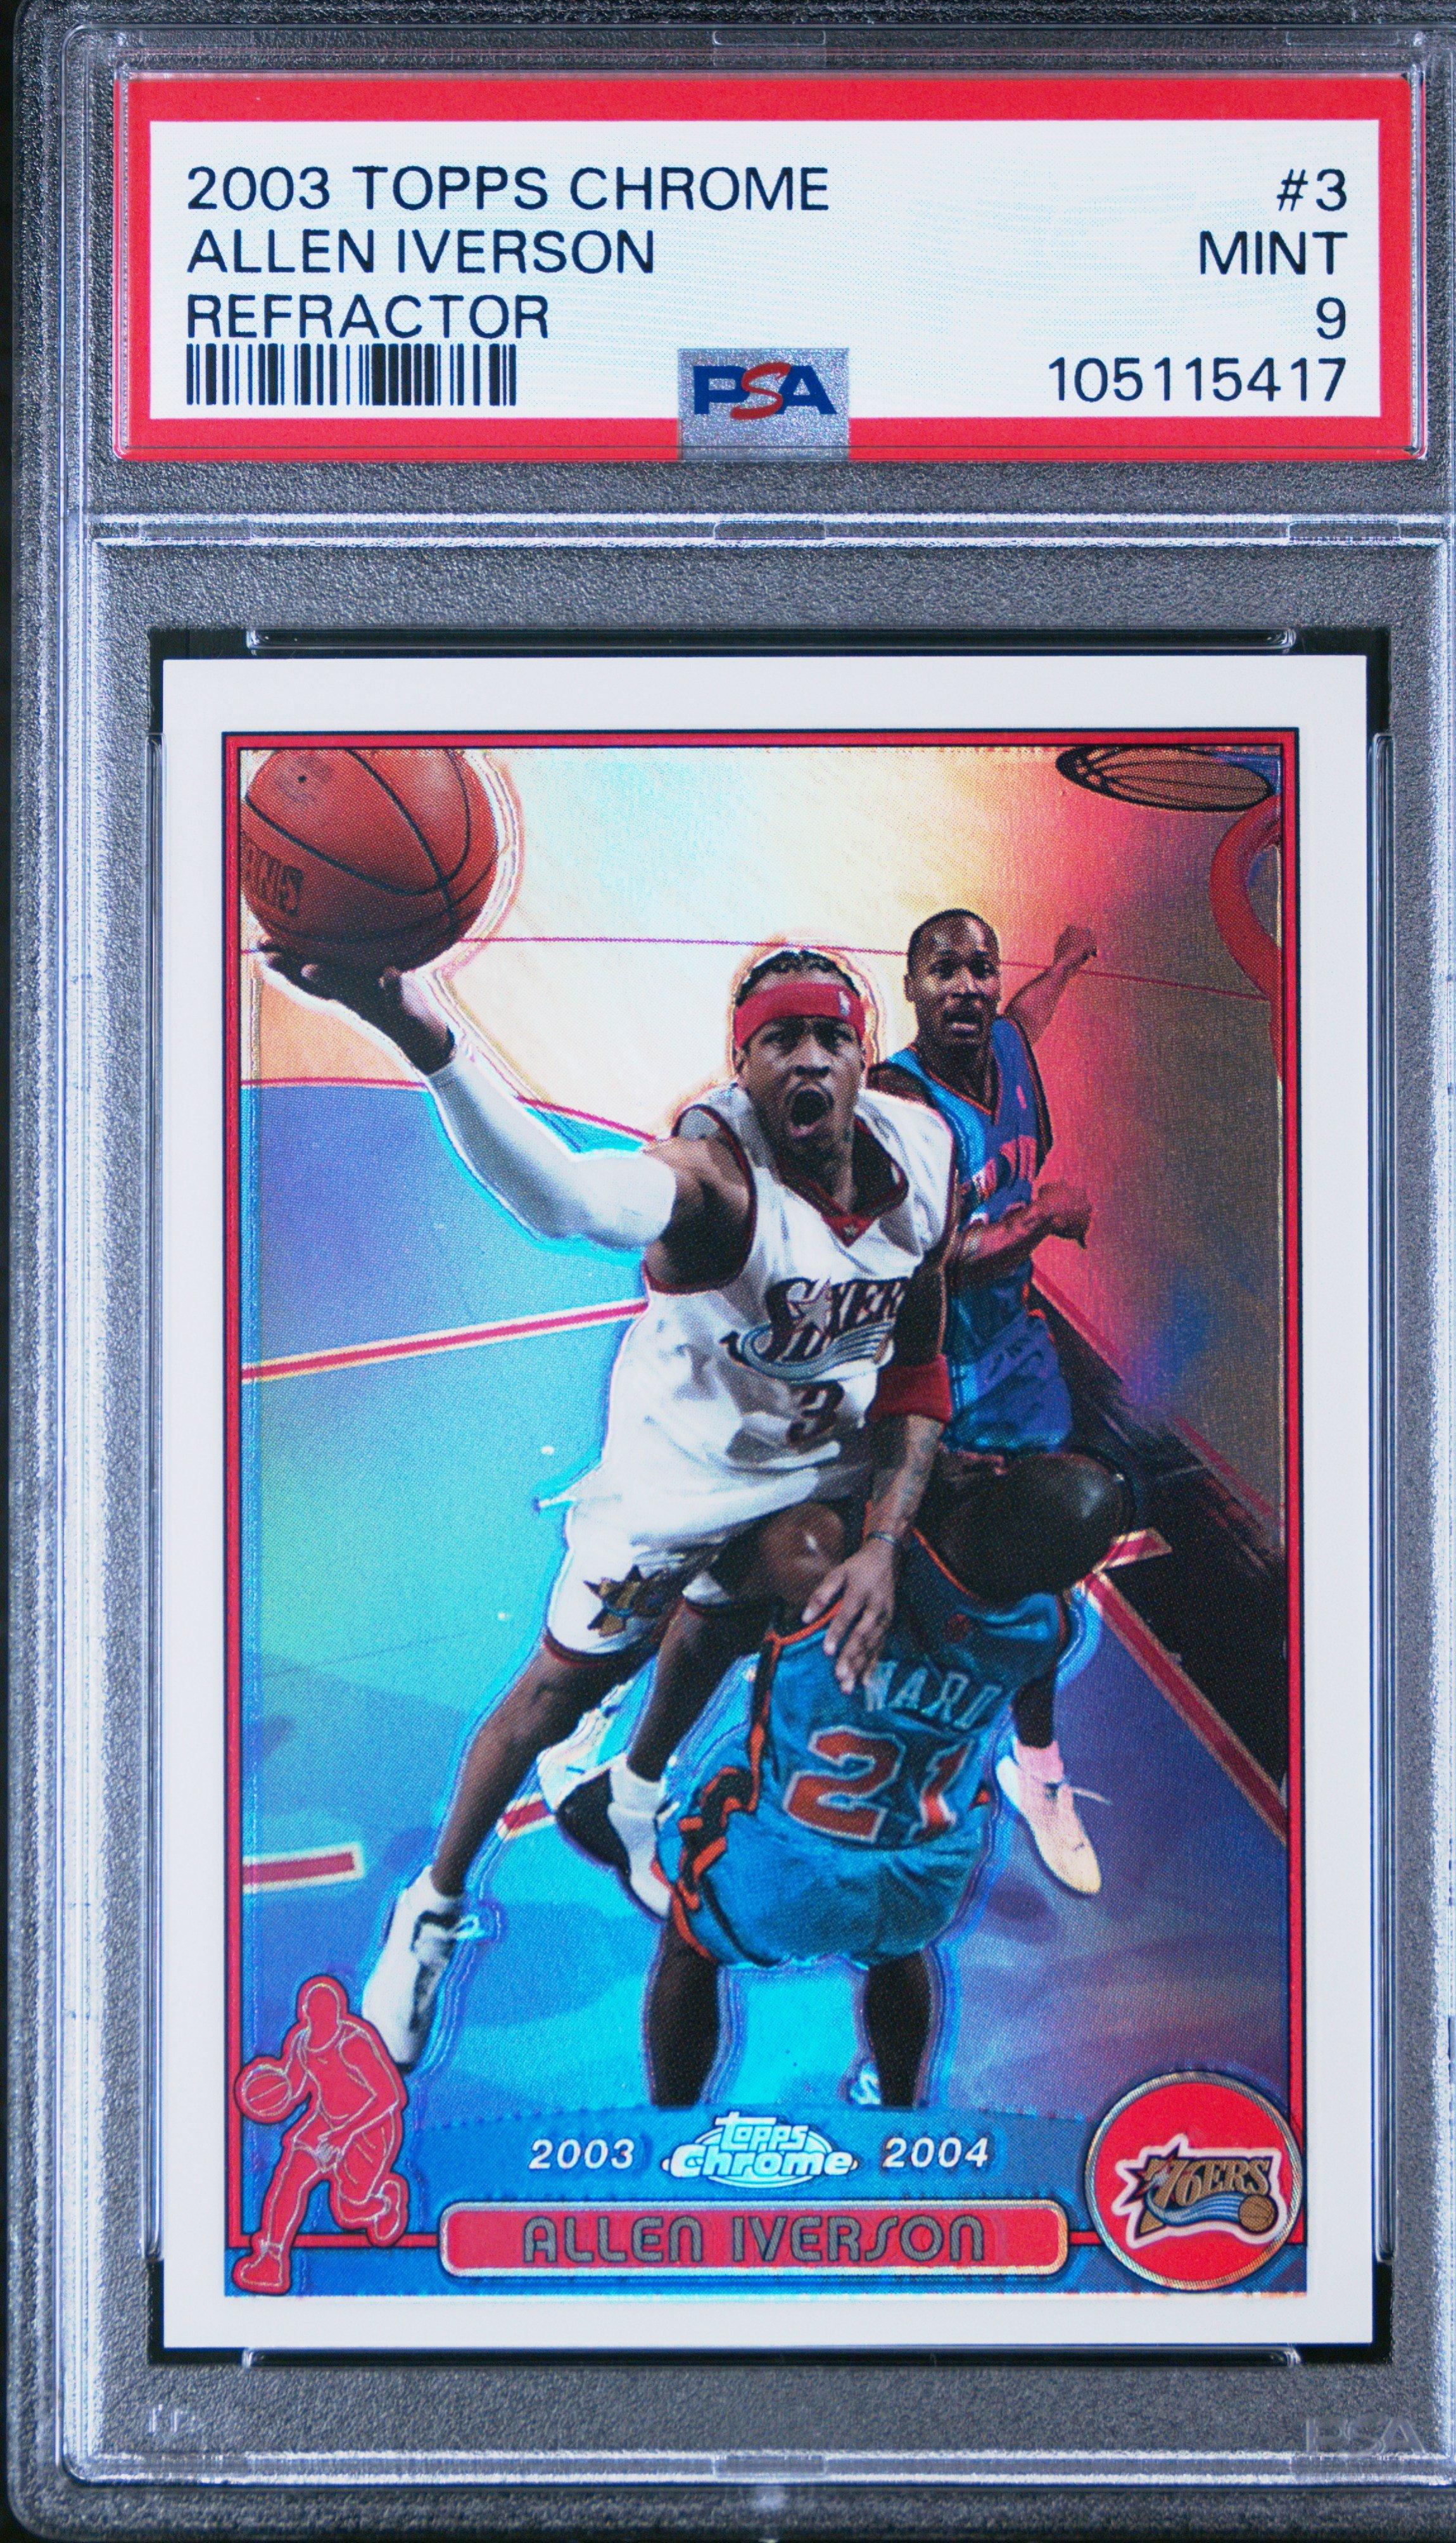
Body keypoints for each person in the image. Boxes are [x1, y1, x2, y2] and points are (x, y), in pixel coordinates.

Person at [261, 943, 958, 2067]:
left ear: (860, 1056)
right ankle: (430, 1907)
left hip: (806, 1471)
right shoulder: (711, 1180)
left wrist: (883, 1539)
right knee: (552, 1692)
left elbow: (918, 1355)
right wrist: (419, 1030)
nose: (808, 1059)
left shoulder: (921, 1153)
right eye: (779, 1040)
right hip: (672, 1479)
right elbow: (565, 1199)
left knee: (764, 1602)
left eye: (830, 1036)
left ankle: (631, 1790)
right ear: (743, 1068)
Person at [645, 1451, 1126, 2107]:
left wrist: (906, 1479)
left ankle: (670, 2116)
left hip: (787, 1867)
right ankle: (900, 2103)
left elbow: (706, 1563)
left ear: (990, 1484)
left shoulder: (821, 1552)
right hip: (924, 1875)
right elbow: (1032, 1713)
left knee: (690, 1942)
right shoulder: (1053, 1623)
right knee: (899, 1950)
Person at [871, 910, 1114, 1894]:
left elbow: (1027, 1017)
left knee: (1041, 1572)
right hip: (929, 1373)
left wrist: (1064, 965)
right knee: (938, 1589)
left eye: (980, 967)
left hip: (1014, 1356)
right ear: (912, 987)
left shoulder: (1005, 1043)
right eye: (944, 970)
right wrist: (1040, 1220)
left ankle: (1037, 1770)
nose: (967, 986)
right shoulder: (900, 1105)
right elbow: (932, 1266)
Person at [231, 1975, 410, 2295]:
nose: (323, 2024)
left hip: (371, 2128)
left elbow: (390, 2097)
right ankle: (272, 2259)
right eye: (316, 2016)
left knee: (348, 2211)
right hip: (327, 2121)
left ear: (338, 2015)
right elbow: (294, 2088)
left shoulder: (353, 2044)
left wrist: (343, 2136)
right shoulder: (302, 2043)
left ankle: (384, 2203)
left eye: (329, 2016)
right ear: (306, 2015)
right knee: (291, 2177)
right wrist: (274, 2091)